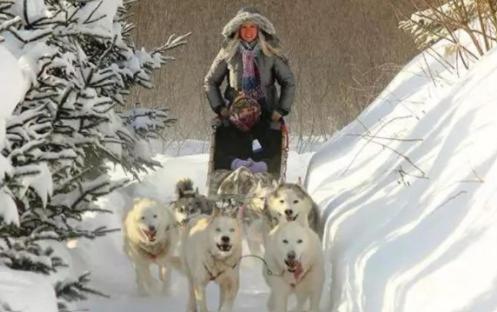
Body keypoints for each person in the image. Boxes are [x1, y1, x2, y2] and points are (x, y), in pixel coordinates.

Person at [204, 7, 295, 174]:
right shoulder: (228, 51)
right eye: (244, 27)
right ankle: (235, 167)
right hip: (235, 111)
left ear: (259, 29)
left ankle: (262, 170)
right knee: (225, 139)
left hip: (265, 111)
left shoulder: (270, 52)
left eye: (252, 27)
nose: (248, 31)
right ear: (238, 29)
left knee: (269, 141)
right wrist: (220, 108)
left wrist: (281, 110)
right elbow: (210, 81)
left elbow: (288, 82)